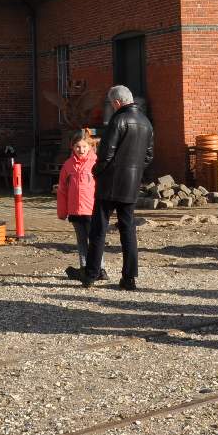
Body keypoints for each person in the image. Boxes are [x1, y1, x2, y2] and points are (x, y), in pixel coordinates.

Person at [84, 85, 154, 291]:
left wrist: (96, 171)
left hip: (109, 183)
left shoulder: (118, 120)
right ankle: (129, 278)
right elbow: (148, 156)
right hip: (131, 184)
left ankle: (91, 273)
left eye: (111, 103)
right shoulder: (146, 122)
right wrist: (135, 172)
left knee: (99, 228)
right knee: (128, 229)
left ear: (116, 102)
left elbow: (106, 153)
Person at [56, 130, 98, 281]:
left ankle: (99, 268)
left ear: (90, 146)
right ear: (72, 147)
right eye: (77, 147)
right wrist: (62, 212)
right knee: (81, 241)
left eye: (84, 146)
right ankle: (84, 267)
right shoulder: (68, 165)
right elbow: (62, 190)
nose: (81, 150)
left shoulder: (96, 163)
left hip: (91, 210)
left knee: (95, 240)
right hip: (74, 211)